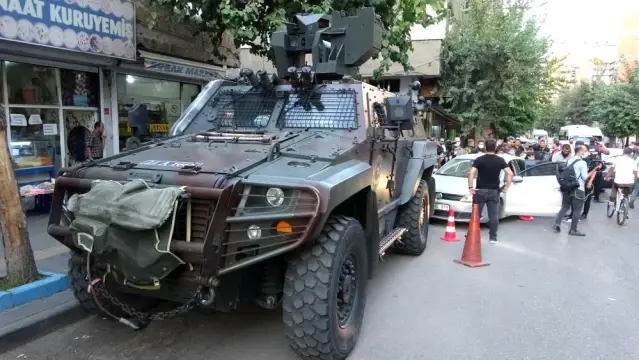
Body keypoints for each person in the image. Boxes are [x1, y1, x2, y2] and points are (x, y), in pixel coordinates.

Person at [468, 139, 513, 244]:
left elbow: (471, 173)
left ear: (484, 147)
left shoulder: (479, 159)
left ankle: (471, 234)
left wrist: (470, 187)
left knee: (475, 215)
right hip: (494, 191)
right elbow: (510, 173)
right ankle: (493, 237)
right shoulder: (500, 160)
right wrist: (506, 186)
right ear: (495, 148)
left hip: (480, 190)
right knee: (493, 215)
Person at [553, 144, 597, 236]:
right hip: (578, 188)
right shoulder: (582, 163)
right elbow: (585, 177)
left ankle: (556, 224)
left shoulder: (569, 160)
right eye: (584, 151)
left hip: (567, 187)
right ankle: (573, 230)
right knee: (577, 210)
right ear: (580, 151)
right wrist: (594, 170)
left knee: (564, 207)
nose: (586, 153)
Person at [587, 137, 609, 202]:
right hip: (597, 167)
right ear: (596, 142)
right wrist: (603, 145)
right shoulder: (598, 148)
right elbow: (608, 152)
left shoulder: (586, 147)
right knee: (597, 183)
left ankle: (588, 196)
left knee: (588, 181)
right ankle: (596, 198)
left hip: (588, 168)